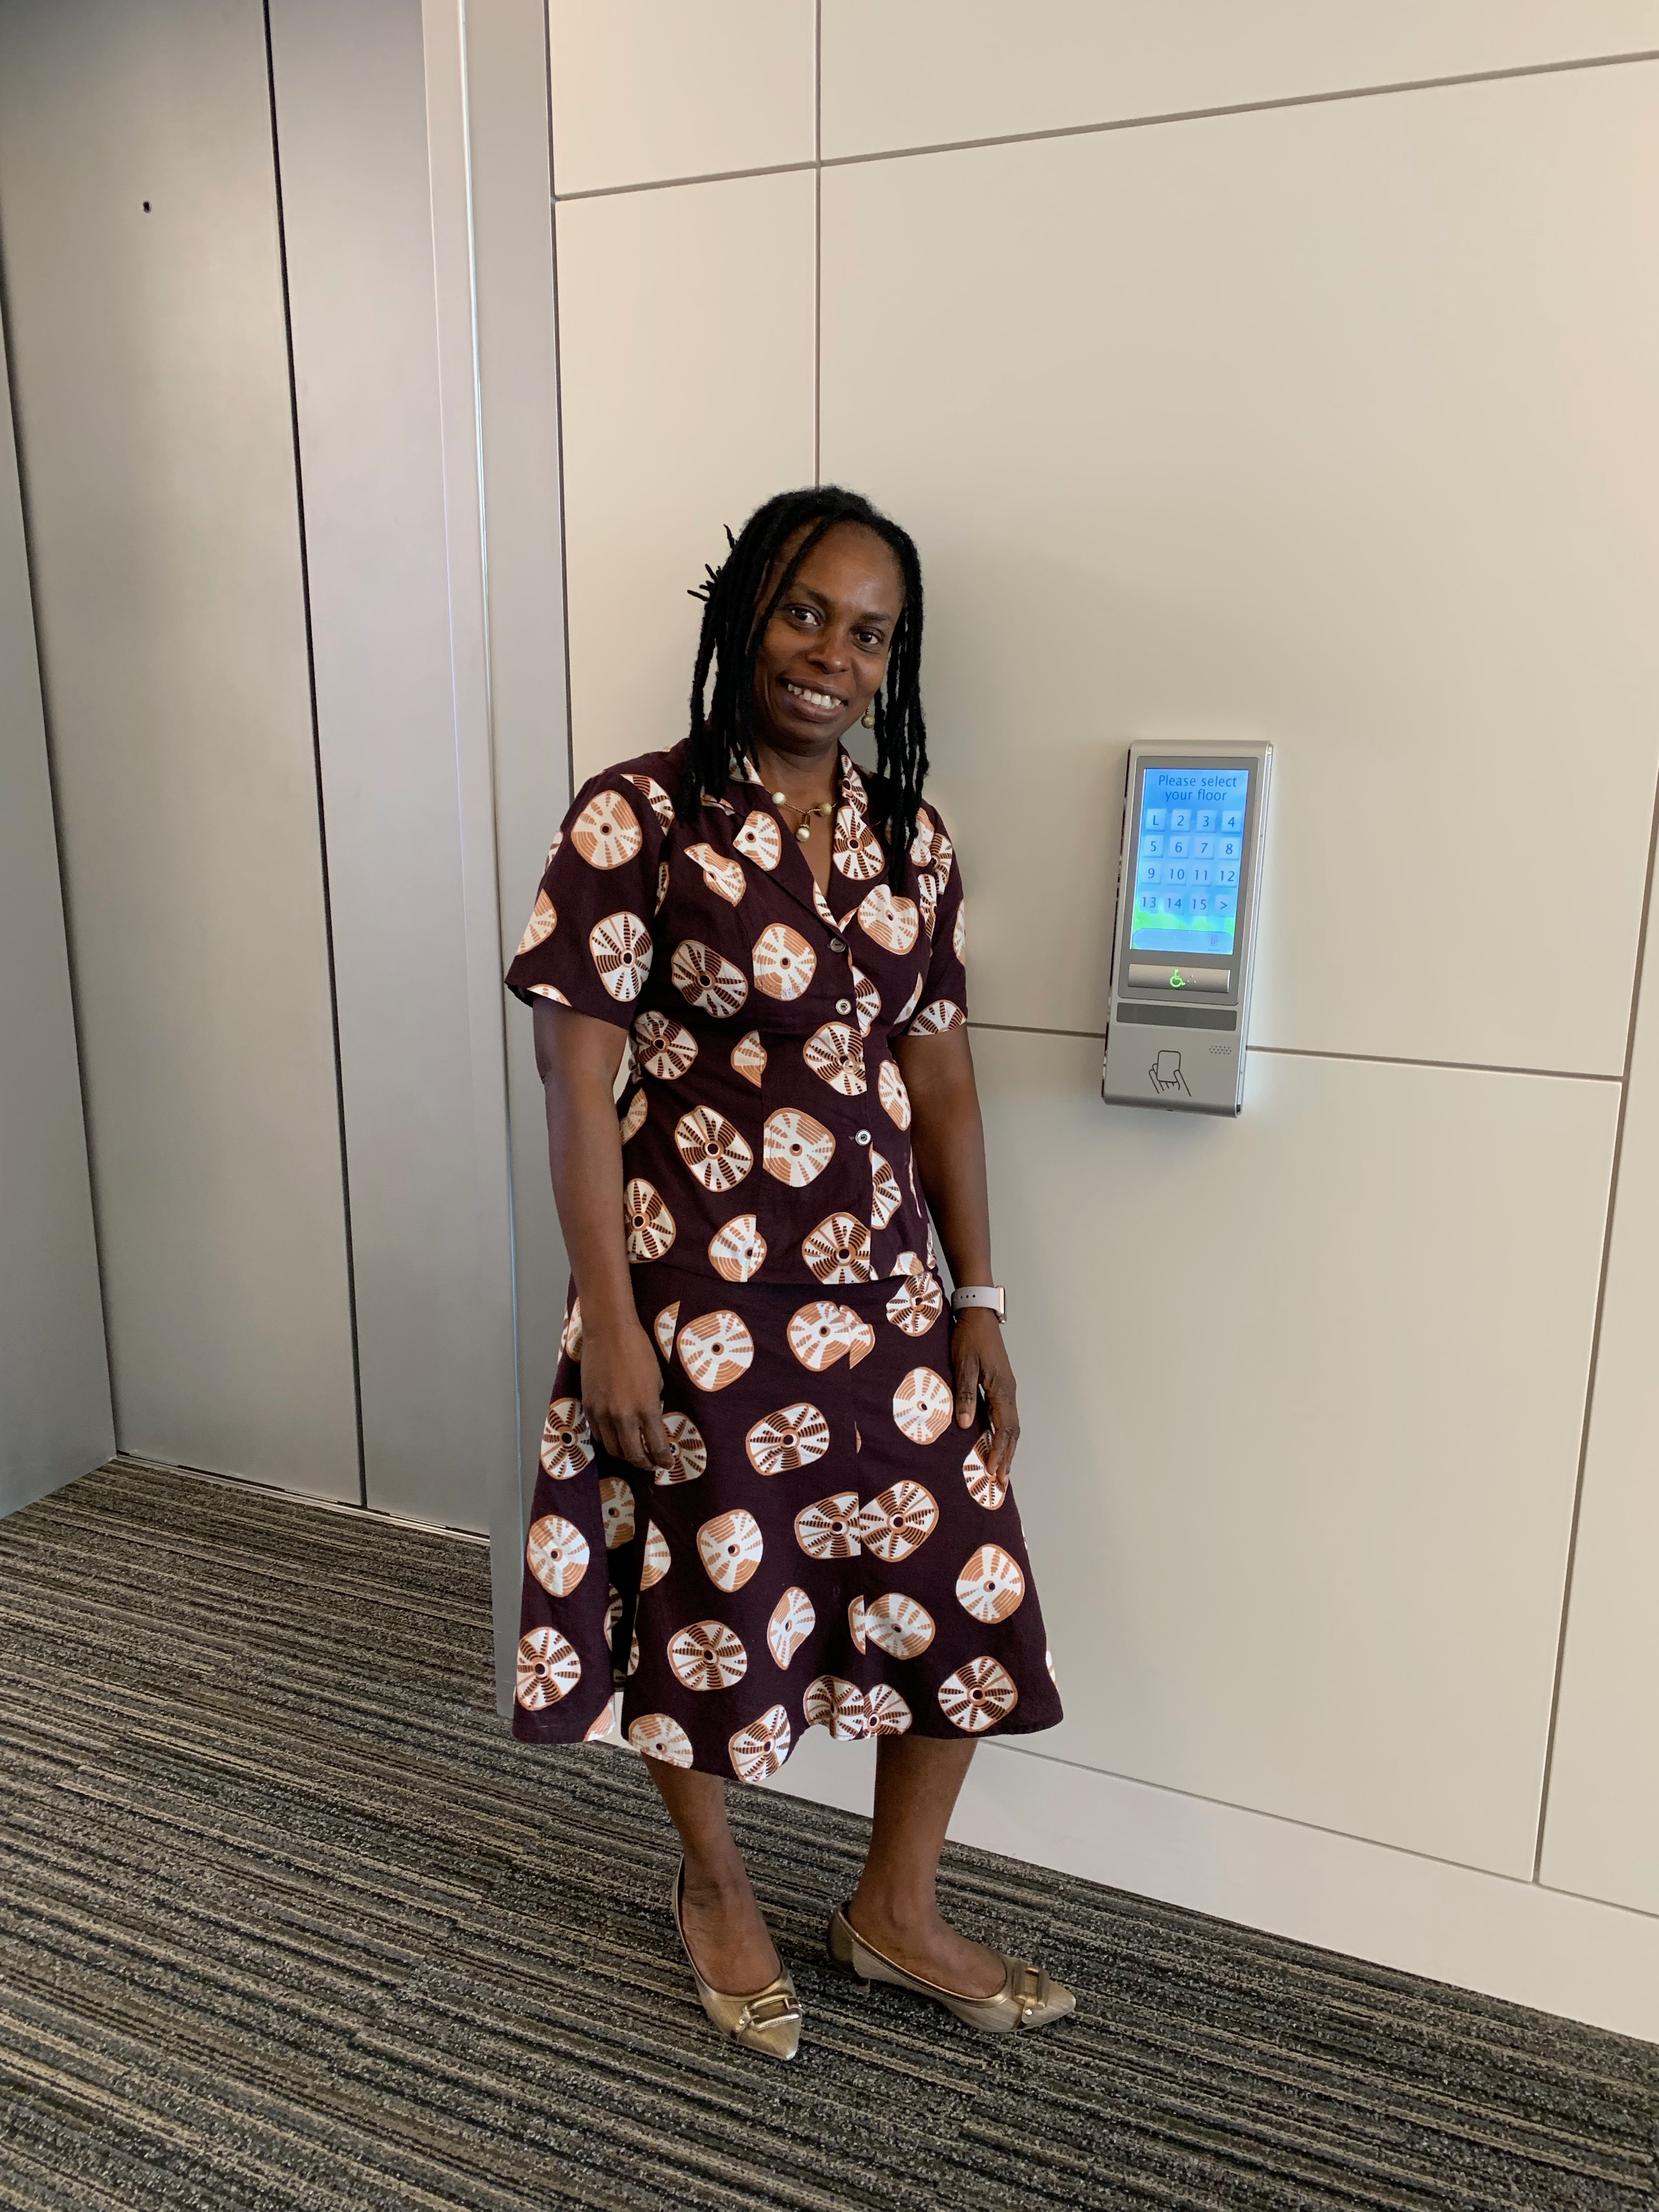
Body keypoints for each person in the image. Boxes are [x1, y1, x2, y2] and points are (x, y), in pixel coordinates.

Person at [505, 486, 1072, 2058]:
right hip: (697, 1300)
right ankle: (715, 1887)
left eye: (870, 634)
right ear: (745, 610)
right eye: (806, 611)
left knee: (966, 1594)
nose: (833, 654)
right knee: (706, 1602)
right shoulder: (636, 819)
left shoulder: (912, 841)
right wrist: (611, 1324)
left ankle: (896, 1908)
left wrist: (979, 1300)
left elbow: (942, 1083)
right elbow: (575, 1083)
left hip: (888, 1302)